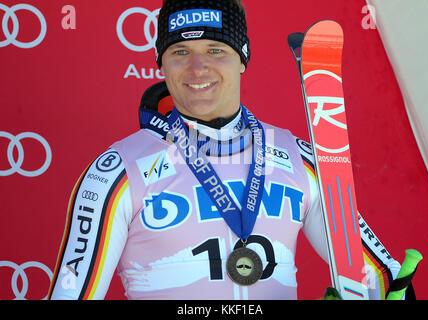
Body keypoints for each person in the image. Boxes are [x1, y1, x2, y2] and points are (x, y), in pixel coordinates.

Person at [48, 0, 402, 300]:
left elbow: (379, 279)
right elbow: (71, 292)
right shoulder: (117, 171)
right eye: (180, 52)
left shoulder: (300, 158)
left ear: (243, 57)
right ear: (160, 63)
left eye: (215, 50)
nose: (198, 67)